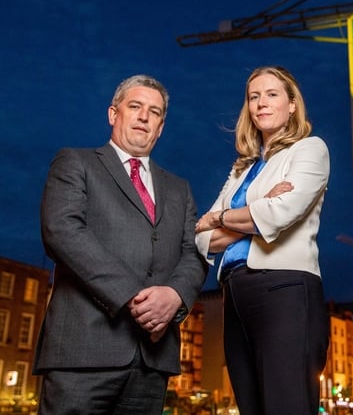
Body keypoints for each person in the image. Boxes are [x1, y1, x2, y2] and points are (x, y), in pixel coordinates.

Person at [33, 74, 208, 415]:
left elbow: (194, 251)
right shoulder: (75, 163)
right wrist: (134, 299)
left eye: (154, 112)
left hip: (152, 359)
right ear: (114, 114)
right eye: (135, 106)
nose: (144, 116)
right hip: (82, 353)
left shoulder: (180, 188)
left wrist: (174, 296)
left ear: (160, 127)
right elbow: (61, 231)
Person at [195, 65, 330, 415]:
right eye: (254, 96)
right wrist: (255, 210)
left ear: (292, 105)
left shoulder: (309, 150)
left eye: (272, 94)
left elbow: (279, 214)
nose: (261, 103)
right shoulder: (242, 168)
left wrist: (222, 217)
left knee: (287, 407)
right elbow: (201, 239)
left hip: (285, 290)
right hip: (235, 296)